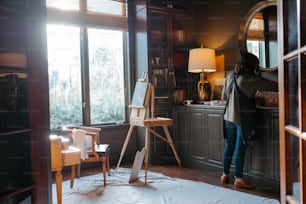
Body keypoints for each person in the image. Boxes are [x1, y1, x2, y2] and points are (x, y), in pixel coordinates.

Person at [221, 52, 277, 189]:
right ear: (252, 65)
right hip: (242, 119)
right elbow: (273, 86)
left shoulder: (229, 76)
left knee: (229, 147)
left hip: (228, 117)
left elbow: (223, 97)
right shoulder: (250, 79)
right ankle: (239, 179)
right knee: (241, 148)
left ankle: (224, 174)